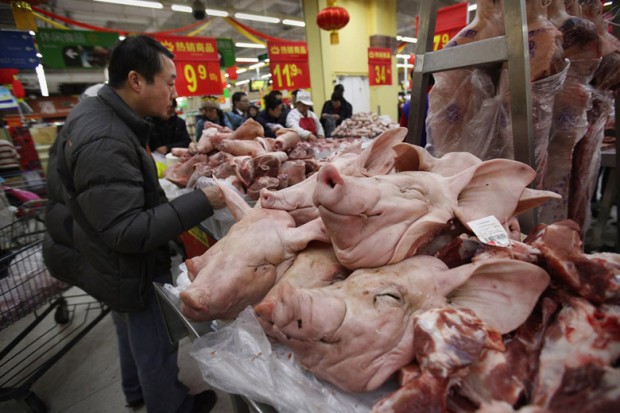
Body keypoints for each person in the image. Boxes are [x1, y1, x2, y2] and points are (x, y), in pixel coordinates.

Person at [42, 35, 225, 413]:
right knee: (153, 337)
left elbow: (108, 199)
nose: (174, 92)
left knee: (128, 326)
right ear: (136, 80)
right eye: (169, 82)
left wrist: (162, 184)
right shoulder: (106, 137)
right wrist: (203, 201)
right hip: (124, 261)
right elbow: (127, 231)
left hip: (99, 252)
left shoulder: (99, 117)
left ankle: (135, 390)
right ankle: (171, 406)